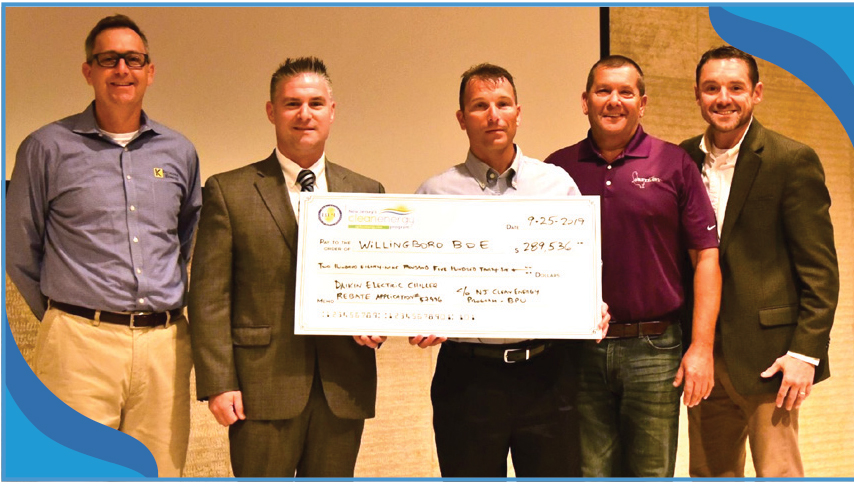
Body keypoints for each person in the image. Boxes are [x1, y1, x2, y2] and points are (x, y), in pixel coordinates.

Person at [5, 14, 201, 477]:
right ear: (88, 70)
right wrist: (65, 318)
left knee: (158, 473)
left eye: (133, 59)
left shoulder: (179, 151)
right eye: (108, 59)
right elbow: (18, 248)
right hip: (79, 344)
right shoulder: (46, 147)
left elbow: (186, 239)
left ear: (149, 71)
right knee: (73, 473)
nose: (122, 69)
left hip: (165, 347)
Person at [188, 56, 385, 478]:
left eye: (316, 103)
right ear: (271, 111)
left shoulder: (368, 192)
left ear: (332, 111)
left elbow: (377, 284)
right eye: (292, 103)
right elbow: (209, 297)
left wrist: (379, 320)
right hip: (261, 388)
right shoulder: (229, 190)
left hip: (343, 386)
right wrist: (218, 383)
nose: (304, 114)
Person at [412, 63, 609, 477]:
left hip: (548, 375)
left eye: (503, 104)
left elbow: (583, 264)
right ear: (462, 119)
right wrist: (419, 313)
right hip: (466, 379)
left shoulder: (557, 184)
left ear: (518, 112)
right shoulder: (434, 193)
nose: (493, 115)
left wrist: (593, 304)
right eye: (480, 106)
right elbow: (418, 277)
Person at [544, 55, 721, 477]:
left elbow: (707, 258)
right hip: (581, 351)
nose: (614, 101)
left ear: (642, 103)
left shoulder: (674, 163)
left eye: (626, 92)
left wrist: (701, 347)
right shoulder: (557, 169)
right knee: (589, 473)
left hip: (656, 349)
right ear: (584, 101)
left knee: (652, 474)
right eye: (603, 91)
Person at [680, 46, 839, 478]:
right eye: (712, 88)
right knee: (709, 476)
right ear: (697, 94)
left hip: (772, 361)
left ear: (757, 93)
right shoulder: (681, 160)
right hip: (704, 357)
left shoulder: (790, 160)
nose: (723, 98)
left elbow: (820, 271)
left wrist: (805, 354)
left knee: (779, 476)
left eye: (735, 87)